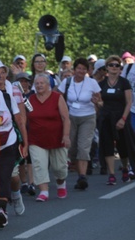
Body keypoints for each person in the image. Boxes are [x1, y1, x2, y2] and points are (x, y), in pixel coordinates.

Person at [0, 68, 27, 230]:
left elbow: (20, 120)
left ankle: (2, 209)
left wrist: (25, 142)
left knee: (5, 175)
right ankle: (0, 207)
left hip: (9, 143)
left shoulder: (8, 98)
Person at [57, 58, 101, 189]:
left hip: (88, 117)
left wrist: (96, 102)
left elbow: (100, 102)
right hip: (70, 117)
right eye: (78, 68)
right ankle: (79, 173)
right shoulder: (67, 82)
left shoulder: (92, 83)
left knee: (84, 146)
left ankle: (82, 177)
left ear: (87, 71)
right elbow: (58, 97)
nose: (81, 71)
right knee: (72, 148)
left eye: (84, 69)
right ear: (74, 69)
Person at [26, 73, 71, 201]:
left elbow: (66, 118)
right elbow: (25, 118)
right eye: (37, 83)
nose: (39, 85)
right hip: (36, 139)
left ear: (48, 85)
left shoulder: (57, 97)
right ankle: (44, 191)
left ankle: (61, 183)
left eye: (42, 83)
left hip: (57, 138)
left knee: (59, 167)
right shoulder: (31, 100)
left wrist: (66, 136)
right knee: (39, 164)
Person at [96, 55, 135, 184]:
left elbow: (129, 102)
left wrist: (123, 119)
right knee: (107, 144)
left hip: (121, 116)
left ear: (120, 68)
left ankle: (124, 167)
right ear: (106, 67)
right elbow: (98, 101)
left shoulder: (124, 82)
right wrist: (98, 103)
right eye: (111, 65)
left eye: (117, 65)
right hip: (106, 117)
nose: (114, 67)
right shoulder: (101, 84)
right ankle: (111, 174)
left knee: (123, 145)